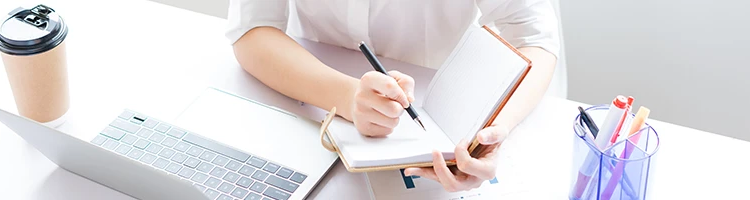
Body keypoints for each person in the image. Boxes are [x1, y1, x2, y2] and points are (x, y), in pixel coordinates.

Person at [226, 0, 561, 192]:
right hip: (305, 105)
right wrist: (346, 95)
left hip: (434, 129)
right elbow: (251, 29)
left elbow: (536, 40)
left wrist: (490, 130)